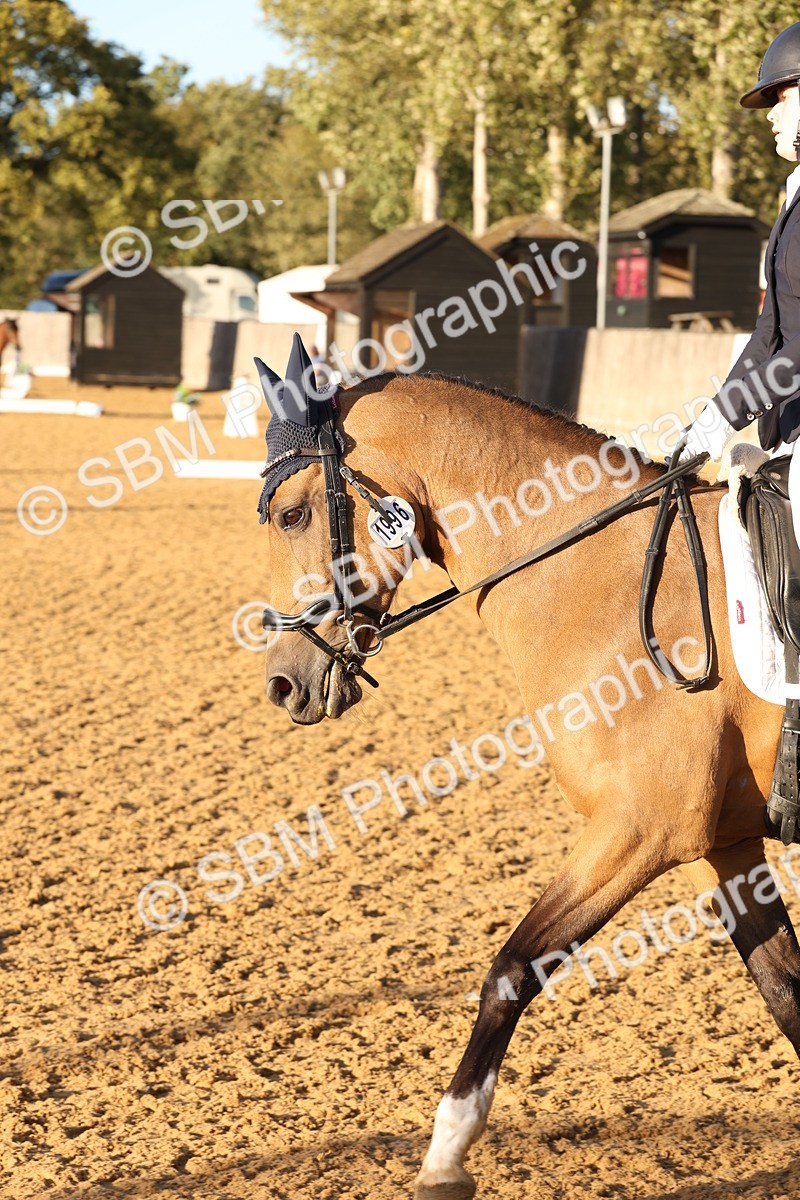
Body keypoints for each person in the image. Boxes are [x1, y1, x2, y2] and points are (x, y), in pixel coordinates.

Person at [681, 21, 800, 842]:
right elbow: (771, 342)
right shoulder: (792, 204)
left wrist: (728, 413)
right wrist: (710, 418)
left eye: (783, 96)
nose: (770, 114)